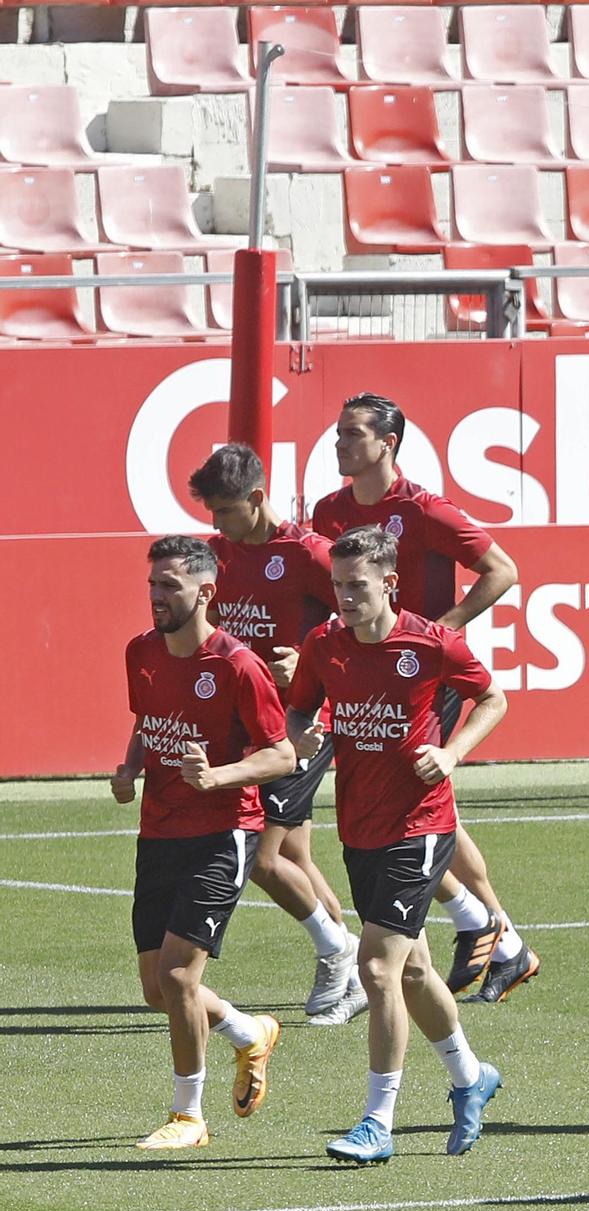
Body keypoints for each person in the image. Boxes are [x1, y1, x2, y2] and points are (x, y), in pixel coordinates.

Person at [287, 525, 505, 1164]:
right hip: (360, 827)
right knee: (412, 972)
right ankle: (471, 1078)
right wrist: (303, 735)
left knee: (376, 966)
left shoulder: (432, 643)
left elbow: (492, 697)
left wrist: (453, 750)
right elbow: (300, 712)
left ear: (390, 583)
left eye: (357, 586)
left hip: (422, 825)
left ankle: (375, 1123)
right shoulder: (324, 645)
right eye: (337, 586)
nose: (345, 598)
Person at [310, 393, 538, 1003]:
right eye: (338, 432)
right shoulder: (328, 510)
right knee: (410, 811)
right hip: (359, 673)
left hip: (416, 675)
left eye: (353, 433)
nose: (339, 443)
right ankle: (500, 938)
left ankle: (490, 930)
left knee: (419, 806)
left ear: (387, 443)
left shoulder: (422, 508)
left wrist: (445, 630)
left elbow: (502, 569)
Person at [113, 536, 289, 1149]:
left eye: (170, 586)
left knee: (181, 981)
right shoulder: (140, 652)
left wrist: (219, 776)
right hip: (158, 832)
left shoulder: (239, 665)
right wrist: (130, 767)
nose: (157, 596)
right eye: (153, 585)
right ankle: (249, 1032)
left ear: (205, 592)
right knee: (156, 990)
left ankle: (189, 1115)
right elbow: (146, 720)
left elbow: (282, 753)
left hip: (223, 834)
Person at [189, 443, 363, 1025]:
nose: (217, 524)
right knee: (292, 853)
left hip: (302, 724)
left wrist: (310, 662)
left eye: (225, 511)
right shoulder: (218, 555)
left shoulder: (310, 554)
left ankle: (336, 951)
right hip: (250, 725)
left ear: (258, 499)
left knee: (261, 860)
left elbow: (368, 622)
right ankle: (352, 965)